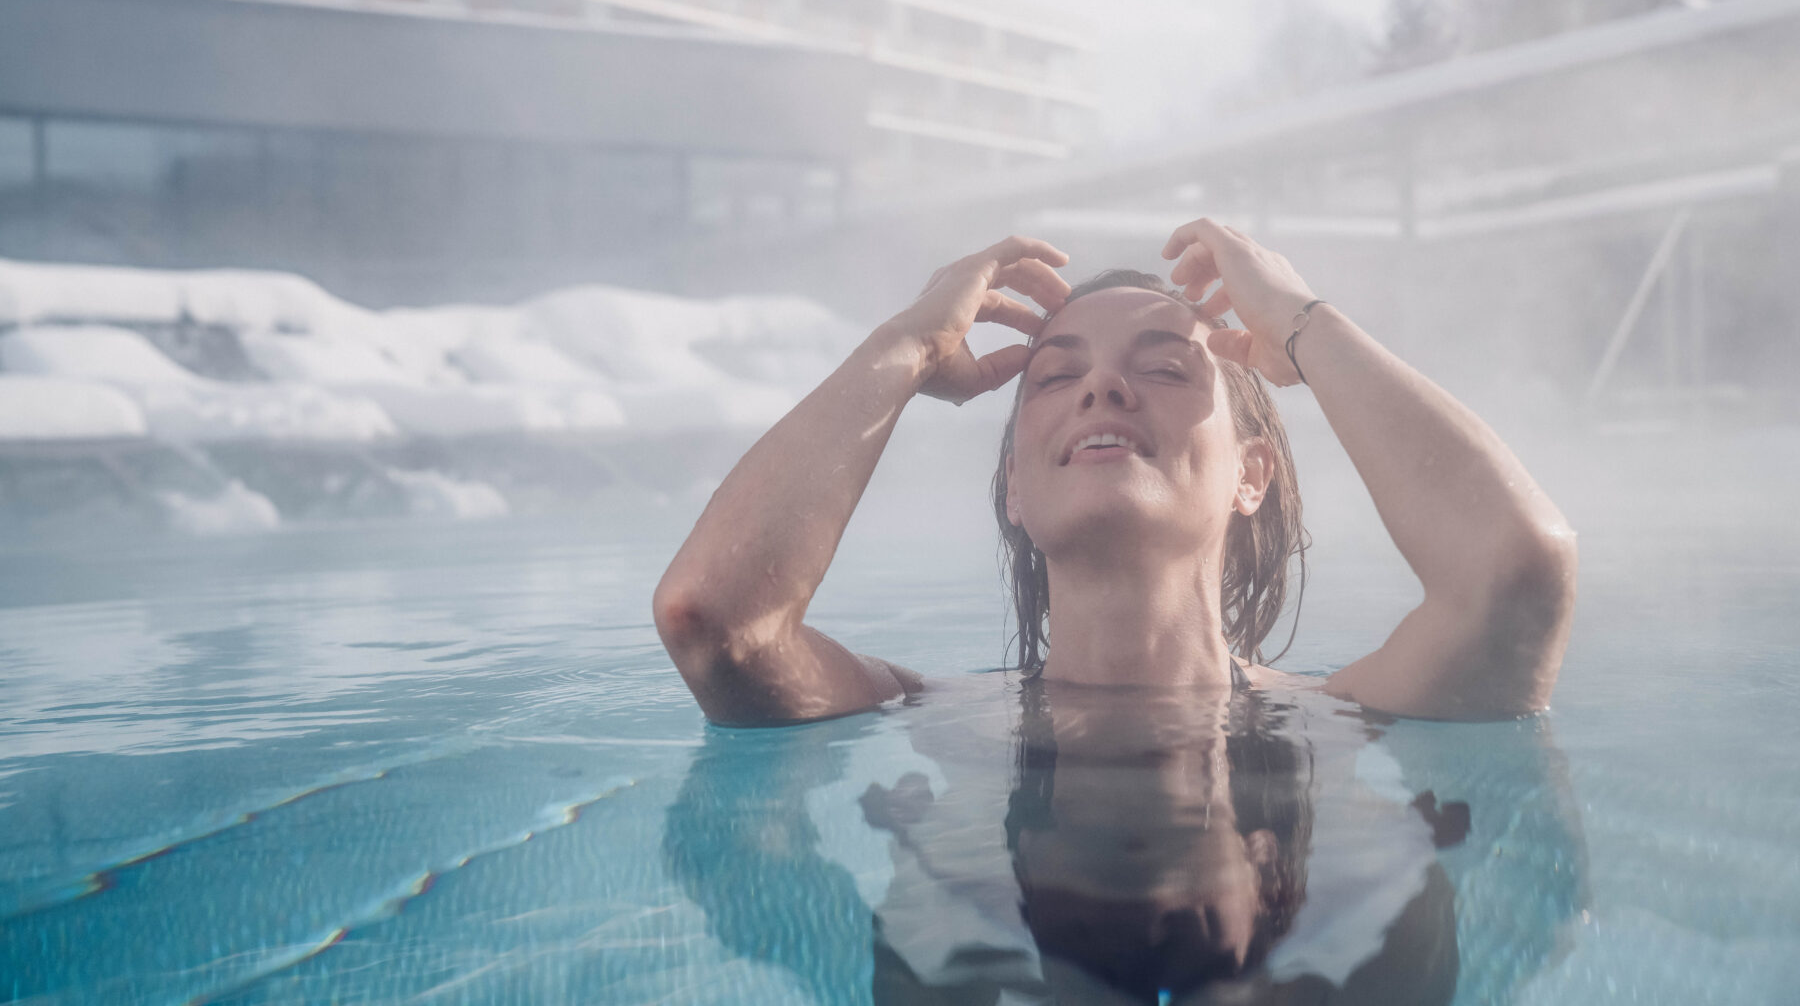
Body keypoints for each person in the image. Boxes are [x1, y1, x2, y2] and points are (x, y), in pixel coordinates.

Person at [652, 221, 1578, 725]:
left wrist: (1302, 321)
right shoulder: (925, 718)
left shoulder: (1351, 720)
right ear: (1016, 485)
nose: (1101, 385)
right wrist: (903, 346)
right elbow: (716, 620)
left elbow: (1516, 572)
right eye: (1058, 375)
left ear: (1250, 473)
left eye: (1166, 367)